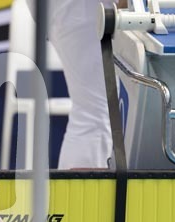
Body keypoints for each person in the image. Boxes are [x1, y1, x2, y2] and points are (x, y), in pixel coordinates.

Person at [44, 0, 117, 169]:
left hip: (73, 10)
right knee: (96, 114)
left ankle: (77, 185)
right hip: (82, 9)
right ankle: (83, 186)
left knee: (94, 112)